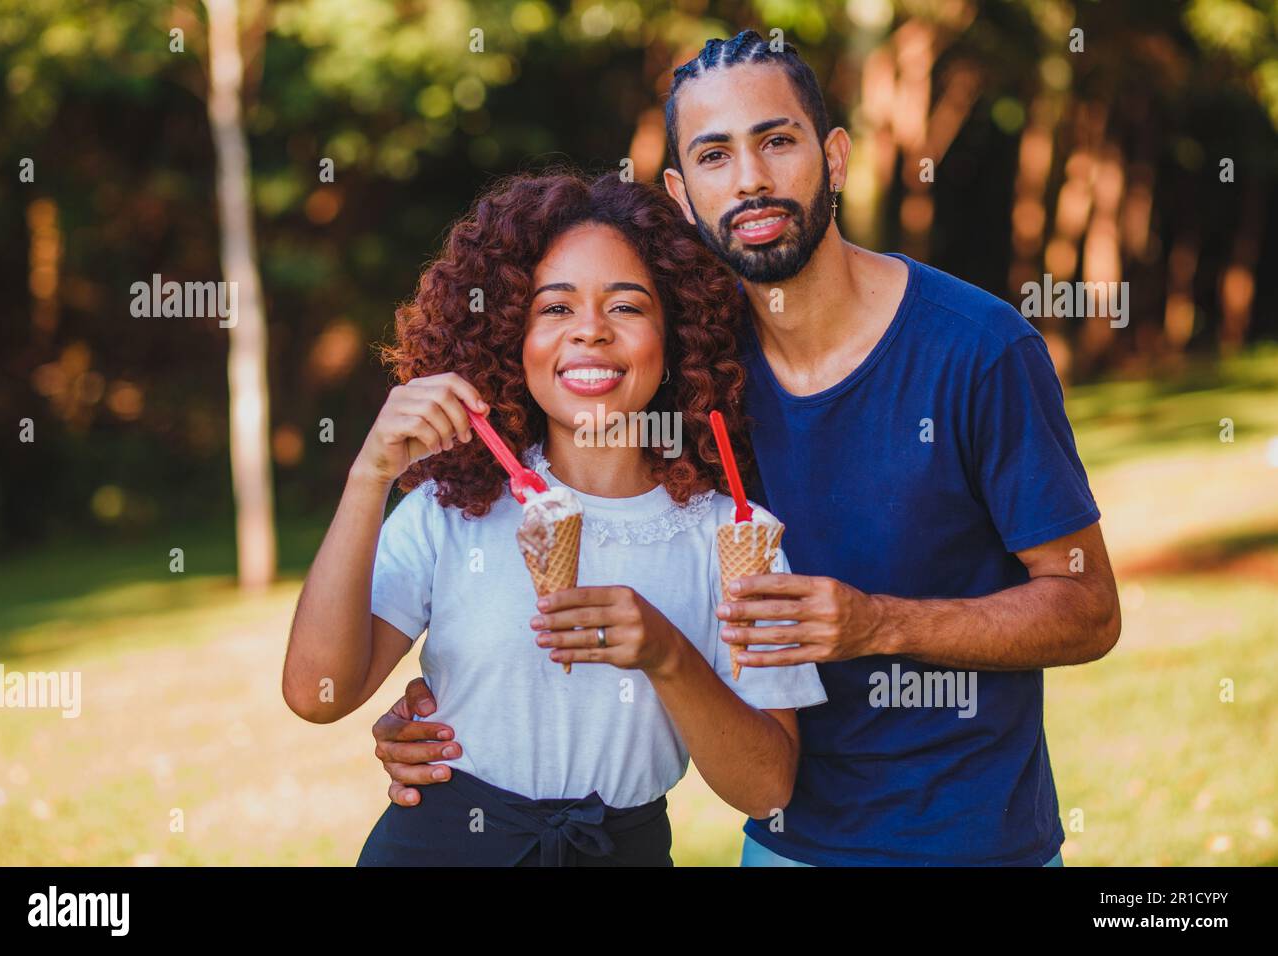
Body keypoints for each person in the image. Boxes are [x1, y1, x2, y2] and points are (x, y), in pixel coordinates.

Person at [372, 32, 1120, 868]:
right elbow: (550, 515)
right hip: (781, 844)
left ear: (834, 158)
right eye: (715, 155)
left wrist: (879, 625)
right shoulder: (680, 366)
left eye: (778, 141)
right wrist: (455, 733)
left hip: (977, 844)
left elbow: (1087, 611)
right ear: (682, 193)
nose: (752, 179)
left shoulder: (978, 350)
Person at [282, 169, 826, 866]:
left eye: (627, 308)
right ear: (513, 337)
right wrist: (370, 476)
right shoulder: (451, 512)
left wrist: (667, 654)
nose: (591, 332)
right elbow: (316, 694)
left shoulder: (732, 536)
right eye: (555, 308)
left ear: (674, 338)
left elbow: (767, 788)